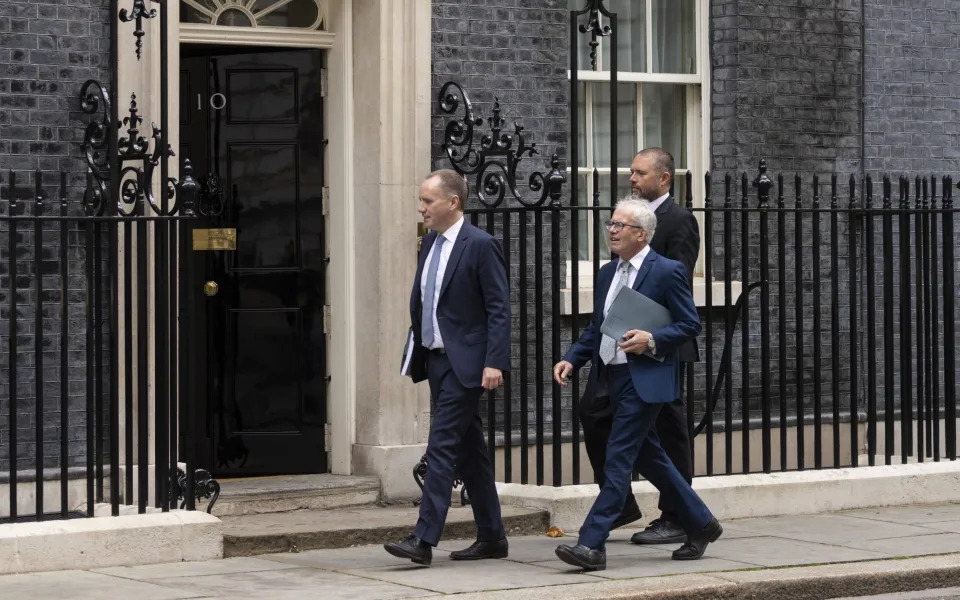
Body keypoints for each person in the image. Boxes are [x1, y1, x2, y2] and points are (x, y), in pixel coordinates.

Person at [553, 199, 719, 571]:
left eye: (620, 225)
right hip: (609, 376)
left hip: (644, 378)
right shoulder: (606, 273)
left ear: (641, 234)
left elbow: (689, 323)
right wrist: (572, 358)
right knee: (654, 460)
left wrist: (652, 339)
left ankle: (591, 544)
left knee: (618, 458)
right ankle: (703, 524)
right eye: (610, 224)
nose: (611, 230)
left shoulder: (668, 271)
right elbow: (598, 327)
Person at [383, 169, 511, 566]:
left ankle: (423, 540)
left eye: (427, 201)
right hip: (437, 360)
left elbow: (498, 308)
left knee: (440, 447)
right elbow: (426, 302)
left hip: (466, 364)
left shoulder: (481, 245)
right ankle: (492, 536)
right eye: (421, 200)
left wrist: (494, 361)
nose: (421, 208)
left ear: (452, 203)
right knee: (471, 452)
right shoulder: (430, 244)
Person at [578, 147, 701, 543]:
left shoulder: (678, 220)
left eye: (640, 173)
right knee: (600, 420)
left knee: (666, 437)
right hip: (616, 349)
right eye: (631, 172)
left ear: (664, 179)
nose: (632, 178)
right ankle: (631, 504)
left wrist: (652, 338)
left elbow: (675, 286)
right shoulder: (623, 230)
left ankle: (678, 516)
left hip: (656, 348)